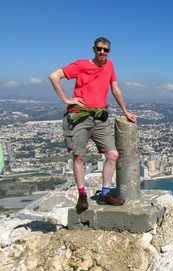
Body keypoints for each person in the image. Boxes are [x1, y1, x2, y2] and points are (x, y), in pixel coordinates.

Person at [48, 37, 136, 211]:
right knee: (79, 156)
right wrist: (67, 99)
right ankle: (82, 195)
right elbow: (54, 76)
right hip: (79, 116)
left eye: (105, 49)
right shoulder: (81, 65)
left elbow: (115, 89)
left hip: (100, 116)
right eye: (99, 49)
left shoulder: (109, 66)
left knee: (112, 154)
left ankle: (105, 193)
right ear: (94, 49)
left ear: (109, 51)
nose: (102, 52)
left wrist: (125, 111)